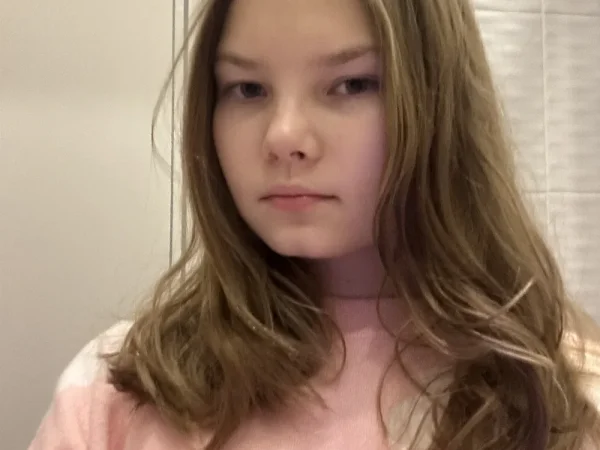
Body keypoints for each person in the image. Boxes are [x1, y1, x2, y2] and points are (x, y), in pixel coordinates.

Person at [28, 0, 600, 449]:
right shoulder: (118, 392)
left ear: (440, 103)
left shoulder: (566, 398)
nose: (282, 136)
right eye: (248, 89)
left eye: (351, 84)